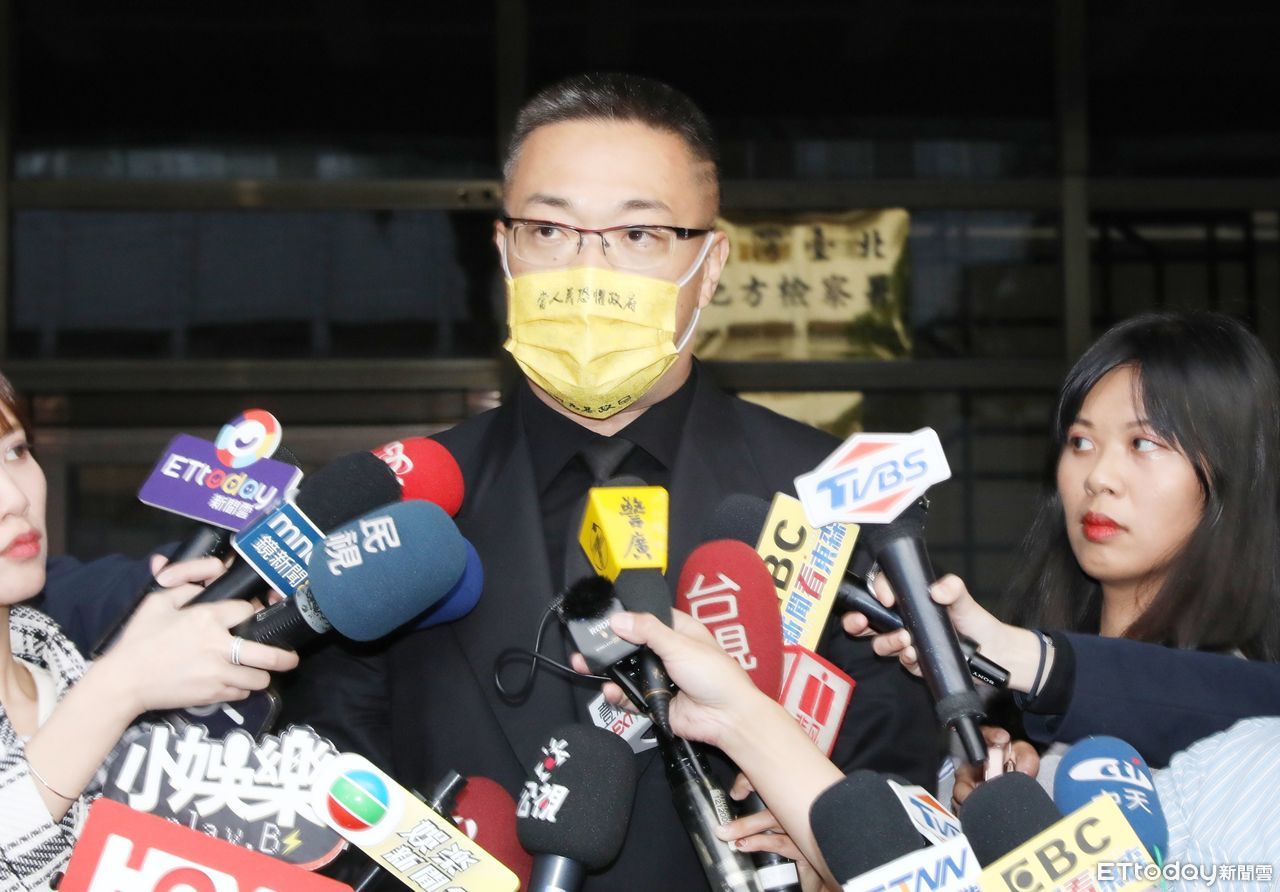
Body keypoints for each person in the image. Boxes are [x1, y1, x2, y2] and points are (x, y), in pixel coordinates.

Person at [277, 72, 940, 889]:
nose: (589, 273)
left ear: (711, 263)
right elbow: (333, 791)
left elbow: (906, 786)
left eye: (638, 235)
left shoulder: (830, 496)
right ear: (504, 250)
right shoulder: (399, 505)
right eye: (549, 230)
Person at [846, 310, 1280, 801]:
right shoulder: (1007, 716)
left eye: (1143, 443)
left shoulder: (1244, 726)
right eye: (1081, 442)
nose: (1098, 477)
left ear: (1229, 475)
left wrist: (1014, 654)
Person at [0, 372, 299, 891]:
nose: (12, 497)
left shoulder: (56, 658)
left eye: (15, 451)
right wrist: (119, 688)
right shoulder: (103, 685)